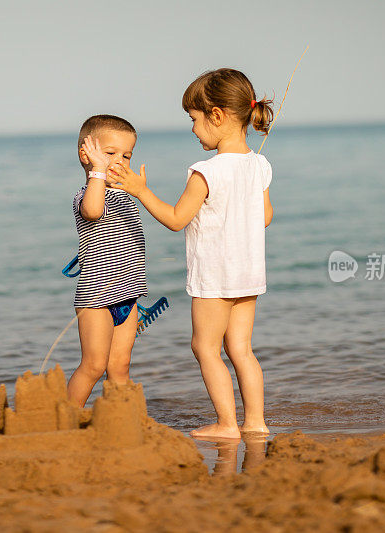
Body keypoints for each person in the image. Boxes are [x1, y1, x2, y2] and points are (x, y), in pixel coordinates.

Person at [108, 69, 274, 439]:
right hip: (249, 276)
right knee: (242, 350)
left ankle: (228, 425)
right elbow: (265, 217)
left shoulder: (204, 172)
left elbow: (176, 219)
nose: (194, 129)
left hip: (215, 278)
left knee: (205, 347)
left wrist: (139, 190)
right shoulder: (260, 165)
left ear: (216, 115)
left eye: (194, 120)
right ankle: (256, 422)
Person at [66, 115, 148, 407]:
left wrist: (139, 189)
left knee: (120, 367)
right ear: (86, 154)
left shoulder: (124, 195)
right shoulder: (86, 195)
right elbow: (92, 211)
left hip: (128, 295)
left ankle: (122, 420)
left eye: (127, 155)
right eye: (110, 153)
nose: (120, 161)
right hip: (96, 298)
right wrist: (98, 172)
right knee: (93, 365)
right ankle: (66, 416)